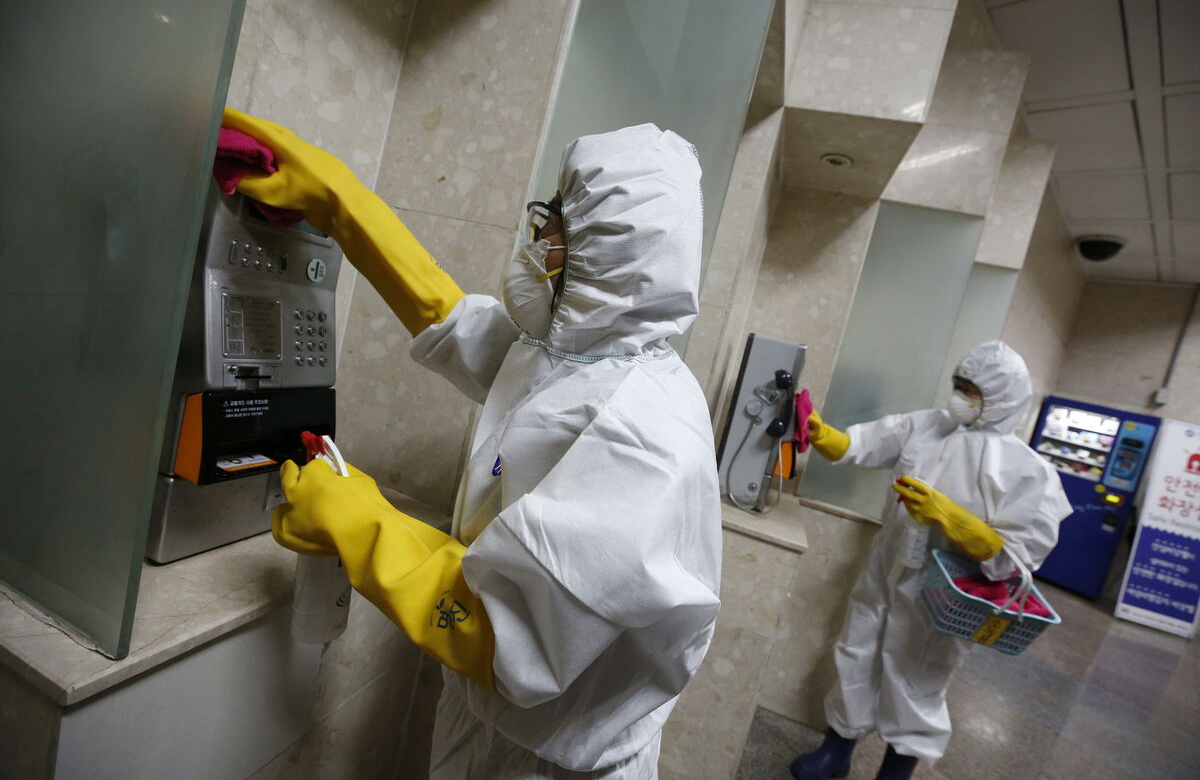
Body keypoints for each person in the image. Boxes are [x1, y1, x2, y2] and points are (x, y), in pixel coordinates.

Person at [224, 109, 722, 779]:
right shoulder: (591, 359)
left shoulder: (642, 441)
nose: (535, 240)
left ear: (605, 256)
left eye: (552, 226)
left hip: (549, 763)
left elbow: (503, 633)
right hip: (495, 723)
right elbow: (472, 335)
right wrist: (346, 208)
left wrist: (359, 522)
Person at [791, 341, 1071, 780]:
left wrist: (954, 519)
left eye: (972, 391)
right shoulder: (928, 425)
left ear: (1002, 399)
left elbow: (1017, 557)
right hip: (887, 567)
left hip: (944, 590)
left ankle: (896, 771)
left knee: (918, 676)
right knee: (857, 650)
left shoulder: (1026, 470)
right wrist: (821, 432)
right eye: (959, 384)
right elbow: (860, 446)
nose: (959, 396)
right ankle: (836, 750)